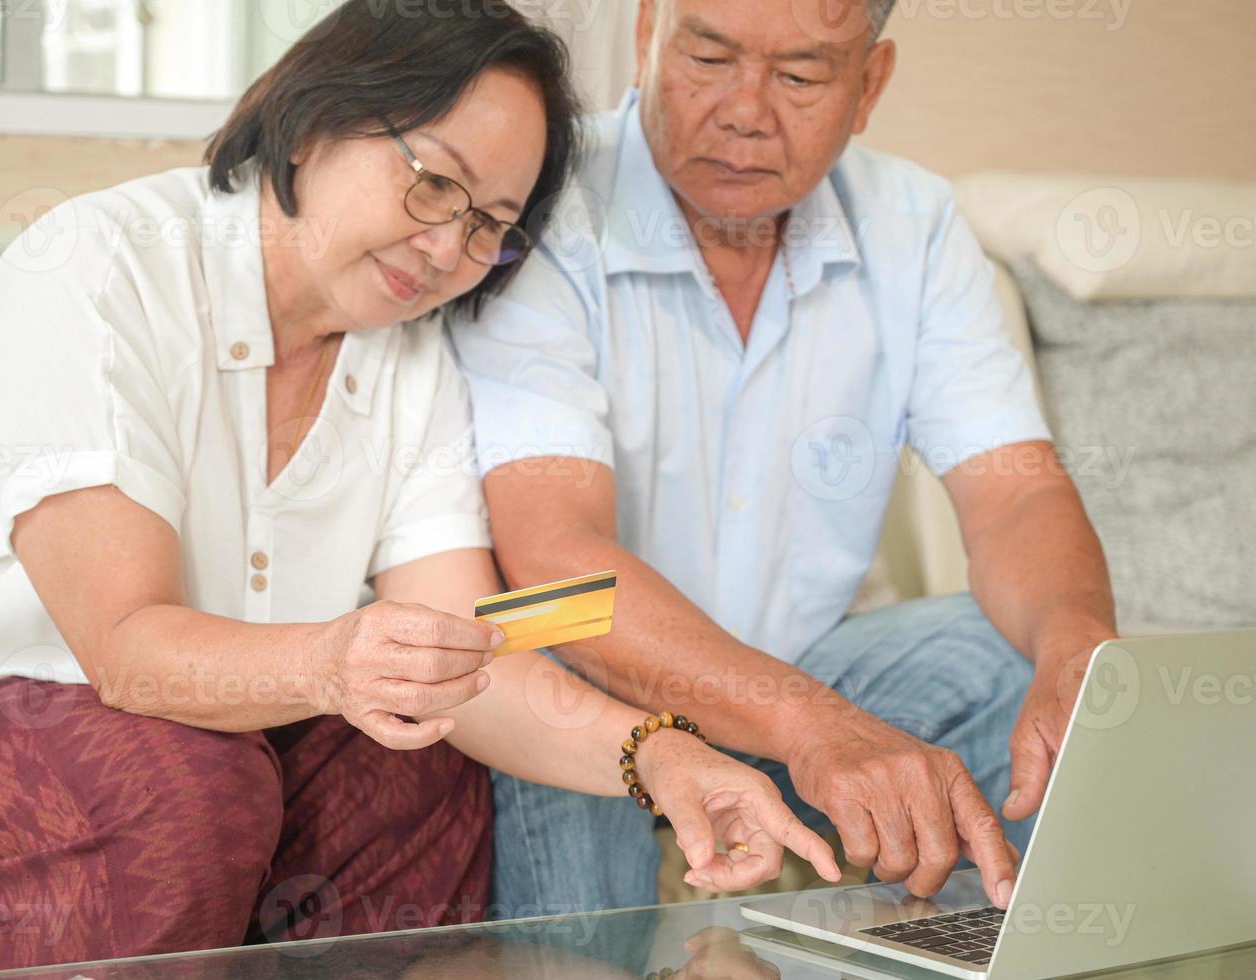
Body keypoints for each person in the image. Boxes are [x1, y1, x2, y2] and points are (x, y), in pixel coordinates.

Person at [0, 4, 841, 976]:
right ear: (312, 121)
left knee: (418, 758)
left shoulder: (407, 355)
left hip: (203, 735)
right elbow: (128, 651)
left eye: (490, 227)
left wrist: (661, 753)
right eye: (435, 183)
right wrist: (335, 659)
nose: (447, 250)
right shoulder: (103, 268)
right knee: (189, 781)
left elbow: (471, 656)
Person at [451, 0, 1119, 916]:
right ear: (649, 35)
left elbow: (1012, 495)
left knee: (1008, 656)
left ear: (868, 84)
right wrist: (814, 727)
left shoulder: (911, 222)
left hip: (805, 663)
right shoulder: (545, 192)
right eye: (709, 57)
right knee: (551, 659)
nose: (745, 111)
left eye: (800, 77)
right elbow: (549, 563)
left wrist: (1077, 650)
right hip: (595, 668)